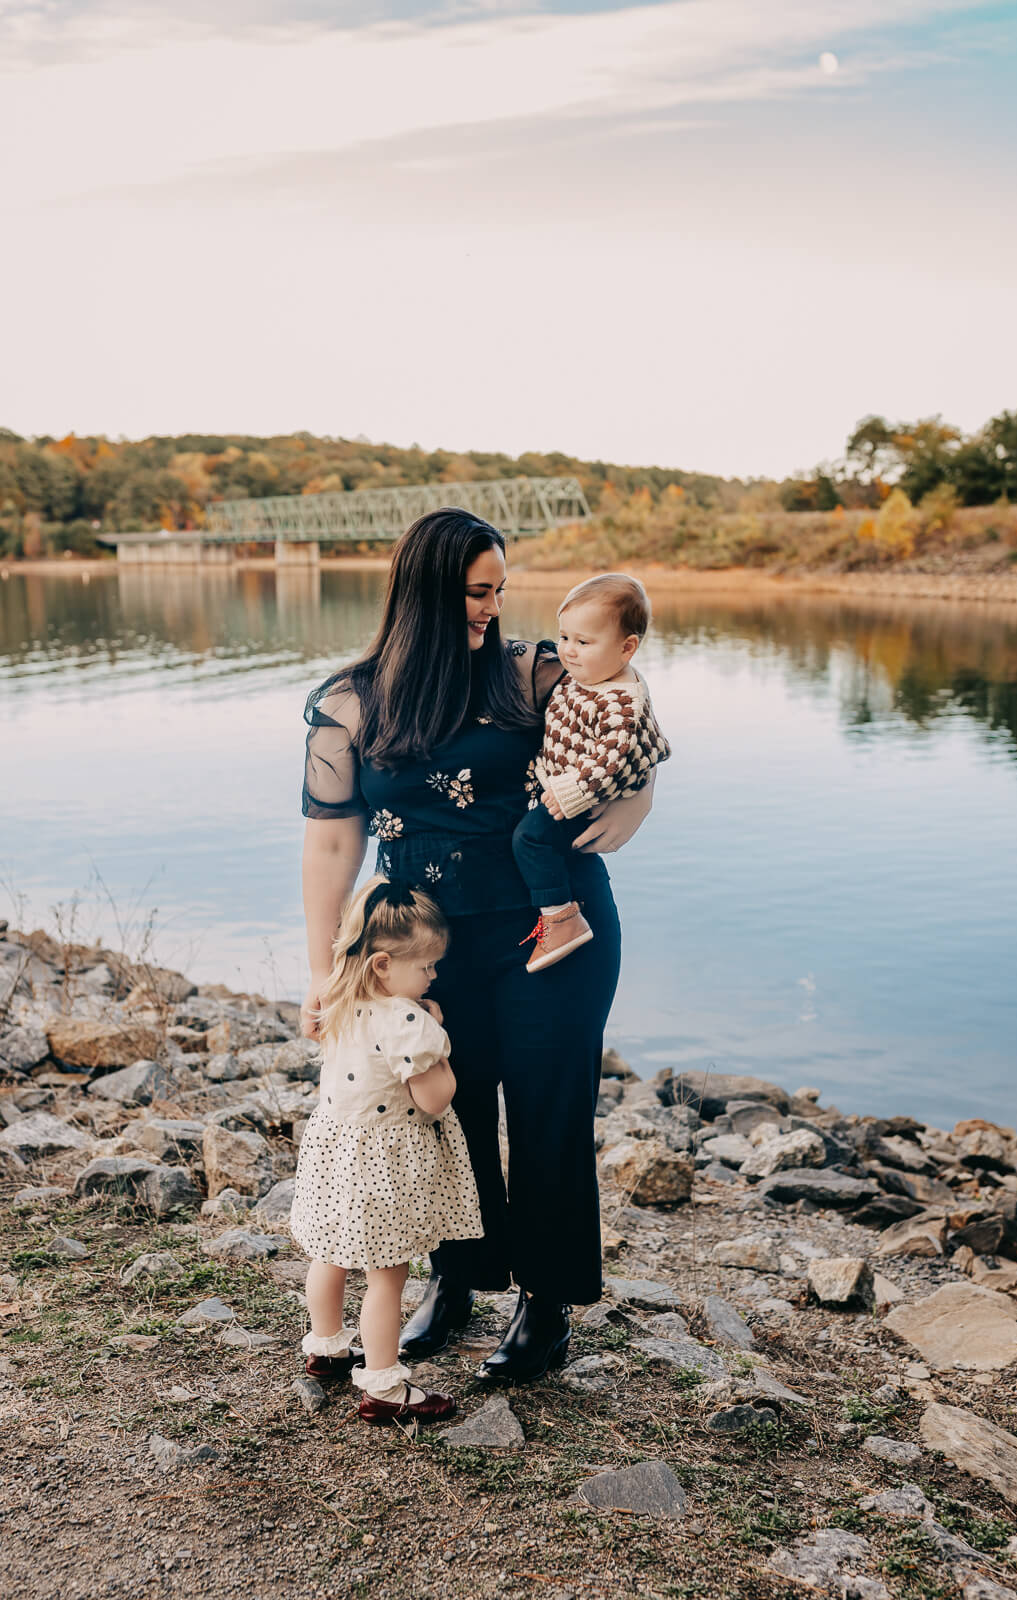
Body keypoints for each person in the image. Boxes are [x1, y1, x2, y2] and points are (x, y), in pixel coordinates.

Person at [299, 507, 655, 1384]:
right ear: (423, 591)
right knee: (439, 1110)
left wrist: (640, 798)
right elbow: (331, 841)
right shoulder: (346, 701)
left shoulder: (532, 675)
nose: (493, 607)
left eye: (499, 589)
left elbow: (625, 717)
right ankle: (453, 1282)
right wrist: (325, 969)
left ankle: (546, 1304)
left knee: (549, 1112)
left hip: (552, 930)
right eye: (475, 591)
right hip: (418, 946)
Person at [289, 874, 483, 1424]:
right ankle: (384, 1384)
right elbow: (434, 1101)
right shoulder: (408, 1021)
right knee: (386, 1273)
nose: (433, 975)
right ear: (382, 965)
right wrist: (439, 1045)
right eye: (426, 967)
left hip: (334, 1154)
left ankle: (325, 1347)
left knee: (330, 1254)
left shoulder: (337, 1000)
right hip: (383, 1167)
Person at [512, 573, 670, 972]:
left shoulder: (621, 701)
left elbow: (611, 758)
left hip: (581, 797)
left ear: (627, 648)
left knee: (530, 839)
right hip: (561, 782)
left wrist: (571, 792)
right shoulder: (591, 675)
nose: (568, 651)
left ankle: (561, 918)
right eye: (564, 637)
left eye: (583, 642)